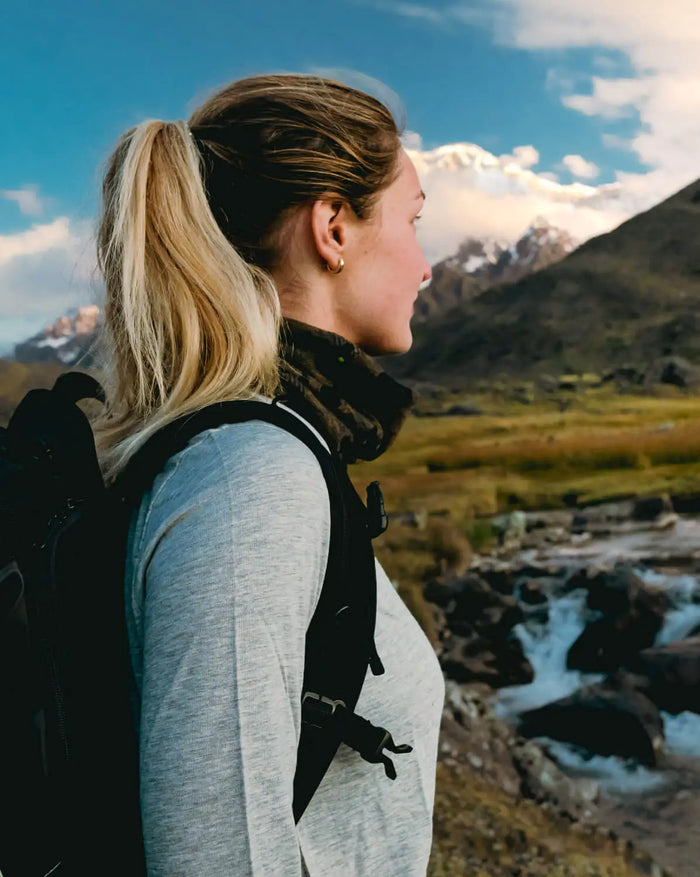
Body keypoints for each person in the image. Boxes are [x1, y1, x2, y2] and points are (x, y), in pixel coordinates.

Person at [93, 72, 445, 876]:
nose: (427, 265)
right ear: (333, 228)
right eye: (415, 221)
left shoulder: (271, 454)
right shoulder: (250, 480)